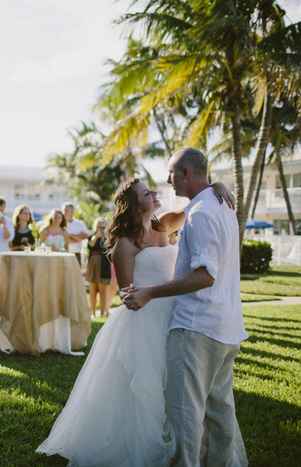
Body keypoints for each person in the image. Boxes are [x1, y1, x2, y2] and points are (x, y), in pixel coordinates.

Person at [37, 167, 245, 466]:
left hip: (176, 314)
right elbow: (128, 295)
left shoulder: (164, 225)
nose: (155, 194)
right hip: (145, 322)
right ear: (135, 205)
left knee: (178, 389)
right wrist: (147, 297)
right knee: (147, 390)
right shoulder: (125, 243)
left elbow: (194, 202)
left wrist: (217, 185)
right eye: (147, 193)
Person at [122, 148, 249, 466]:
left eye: (171, 174)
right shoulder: (220, 205)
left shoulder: (200, 213)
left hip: (198, 328)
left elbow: (205, 276)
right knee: (220, 412)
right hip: (226, 326)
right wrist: (215, 184)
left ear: (186, 174)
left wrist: (150, 292)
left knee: (186, 416)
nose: (167, 181)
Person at [85, 217, 111, 317]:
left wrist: (105, 237)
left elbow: (110, 248)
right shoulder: (92, 236)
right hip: (93, 263)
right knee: (92, 290)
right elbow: (90, 245)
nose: (101, 228)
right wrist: (97, 236)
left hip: (104, 264)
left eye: (103, 226)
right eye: (99, 226)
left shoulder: (108, 237)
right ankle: (93, 312)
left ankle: (102, 312)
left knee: (102, 291)